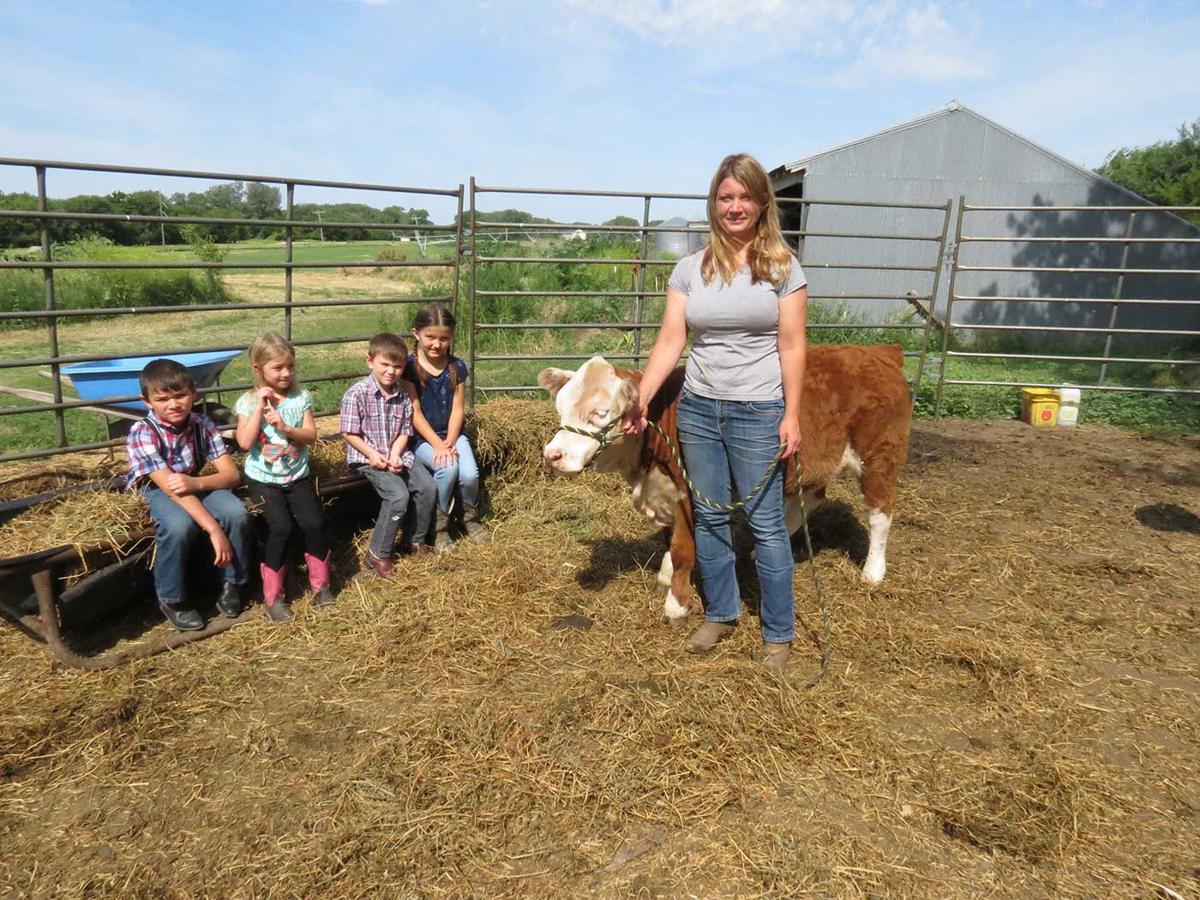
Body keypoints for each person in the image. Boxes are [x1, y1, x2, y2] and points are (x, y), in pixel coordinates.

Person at [621, 153, 808, 674]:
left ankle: (778, 633)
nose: (735, 206)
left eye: (745, 196)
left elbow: (793, 345)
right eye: (726, 197)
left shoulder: (783, 268)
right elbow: (670, 340)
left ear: (762, 203)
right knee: (709, 514)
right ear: (713, 204)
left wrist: (791, 413)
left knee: (767, 523)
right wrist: (642, 398)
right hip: (700, 410)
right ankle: (722, 613)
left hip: (758, 409)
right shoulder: (690, 269)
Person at [126, 358, 253, 632]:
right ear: (146, 401)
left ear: (193, 393)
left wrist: (196, 484)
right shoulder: (142, 433)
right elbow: (171, 489)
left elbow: (231, 475)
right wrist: (214, 530)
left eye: (181, 395)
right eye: (163, 399)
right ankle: (172, 598)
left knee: (237, 513)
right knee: (178, 526)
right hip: (156, 489)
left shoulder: (201, 423)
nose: (174, 405)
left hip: (192, 481)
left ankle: (234, 583)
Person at [234, 332, 332, 623]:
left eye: (290, 366)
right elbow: (243, 442)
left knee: (314, 523)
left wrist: (286, 427)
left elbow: (311, 435)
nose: (286, 373)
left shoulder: (300, 398)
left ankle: (321, 586)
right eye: (277, 368)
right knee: (281, 527)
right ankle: (273, 597)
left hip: (296, 475)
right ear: (258, 369)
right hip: (263, 478)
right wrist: (259, 412)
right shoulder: (247, 402)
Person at [340, 332, 437, 578]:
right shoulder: (357, 394)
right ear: (370, 361)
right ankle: (378, 553)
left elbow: (405, 430)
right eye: (385, 364)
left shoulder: (403, 396)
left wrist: (395, 453)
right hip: (367, 457)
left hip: (397, 453)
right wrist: (374, 455)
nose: (391, 371)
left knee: (427, 486)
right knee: (397, 495)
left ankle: (415, 539)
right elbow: (350, 434)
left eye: (397, 366)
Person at [402, 303, 484, 545]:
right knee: (447, 469)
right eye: (430, 337)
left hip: (452, 434)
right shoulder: (409, 368)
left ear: (451, 337)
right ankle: (439, 528)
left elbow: (458, 408)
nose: (436, 344)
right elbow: (414, 412)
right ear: (416, 334)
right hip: (422, 437)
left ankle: (469, 517)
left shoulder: (456, 367)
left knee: (470, 474)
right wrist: (439, 445)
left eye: (444, 338)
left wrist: (450, 439)